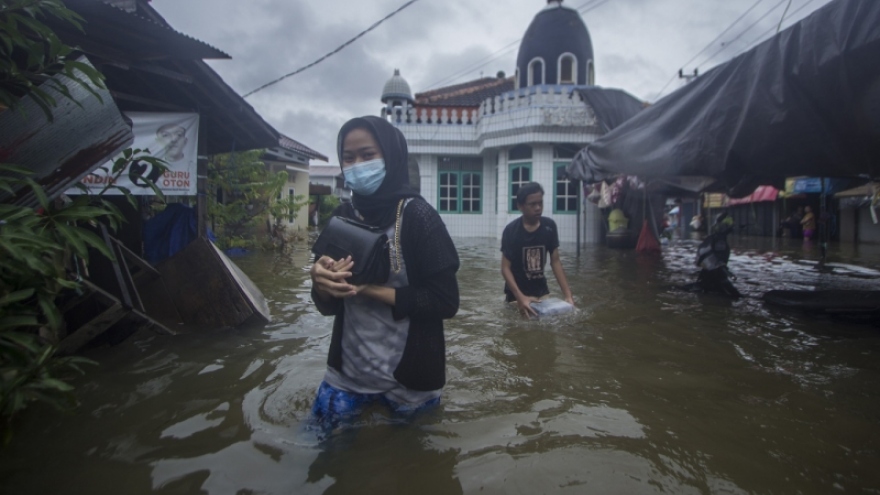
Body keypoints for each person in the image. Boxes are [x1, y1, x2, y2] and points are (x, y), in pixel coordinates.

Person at [308, 116, 460, 435]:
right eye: (348, 158)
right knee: (321, 453)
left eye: (367, 155)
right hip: (348, 375)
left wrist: (369, 289)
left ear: (391, 156)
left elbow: (446, 301)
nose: (357, 165)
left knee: (411, 468)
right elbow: (327, 306)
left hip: (411, 382)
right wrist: (320, 283)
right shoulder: (343, 216)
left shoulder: (420, 218)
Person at [501, 182, 575, 318]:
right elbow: (505, 268)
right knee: (517, 333)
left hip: (541, 293)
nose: (538, 208)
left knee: (546, 334)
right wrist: (520, 297)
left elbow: (556, 261)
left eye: (540, 203)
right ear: (520, 206)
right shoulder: (511, 231)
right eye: (532, 204)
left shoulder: (549, 227)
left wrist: (568, 296)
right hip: (516, 296)